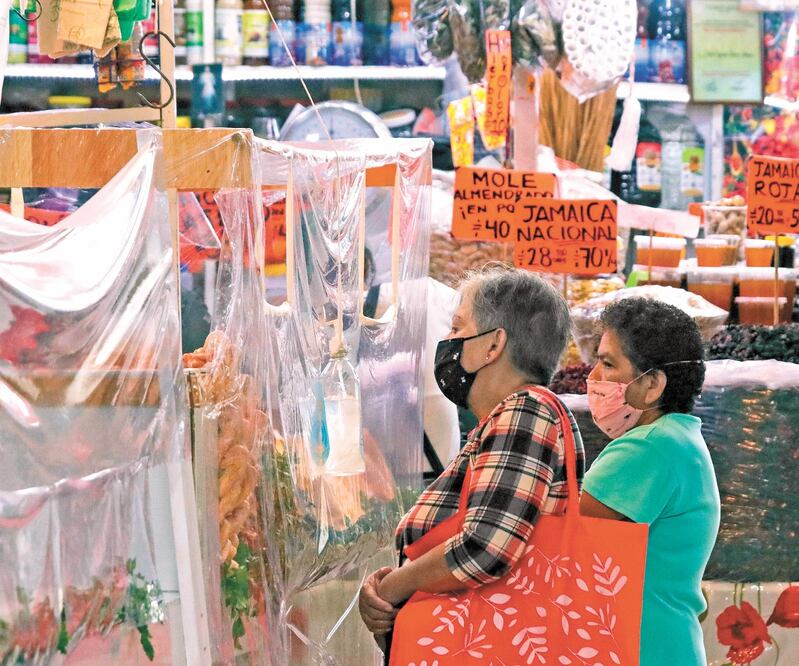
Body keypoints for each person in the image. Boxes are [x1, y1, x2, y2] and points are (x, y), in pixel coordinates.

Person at [358, 267, 585, 657]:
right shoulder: (502, 420)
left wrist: (395, 587)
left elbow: (485, 548)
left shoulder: (525, 412)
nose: (448, 343)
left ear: (493, 345)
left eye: (458, 328)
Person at [580, 298, 721, 665]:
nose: (593, 377)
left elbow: (561, 531)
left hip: (645, 649)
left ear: (653, 383)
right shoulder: (677, 437)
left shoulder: (648, 448)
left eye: (608, 363)